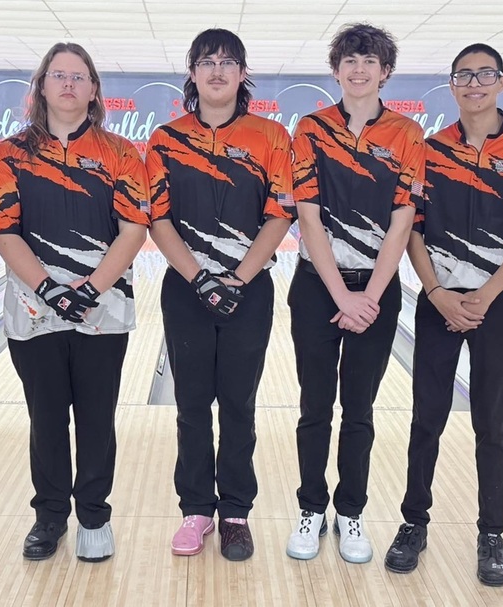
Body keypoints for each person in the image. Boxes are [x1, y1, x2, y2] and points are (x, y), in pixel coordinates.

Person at [384, 43, 503, 586]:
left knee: (490, 424)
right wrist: (435, 292)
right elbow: (415, 227)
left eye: (484, 75)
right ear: (452, 85)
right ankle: (414, 522)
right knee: (426, 420)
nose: (474, 83)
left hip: (499, 304)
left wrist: (489, 293)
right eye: (463, 75)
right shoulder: (430, 149)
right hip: (439, 302)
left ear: (501, 82)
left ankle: (492, 534)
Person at [0, 42, 149, 563]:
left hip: (103, 307)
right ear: (41, 86)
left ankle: (94, 516)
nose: (69, 84)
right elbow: (3, 229)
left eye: (79, 76)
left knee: (97, 418)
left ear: (94, 89)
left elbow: (133, 229)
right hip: (34, 309)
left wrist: (90, 288)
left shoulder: (121, 152)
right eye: (58, 75)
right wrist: (48, 288)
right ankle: (50, 515)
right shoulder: (10, 154)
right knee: (47, 417)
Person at [146, 28, 295, 562]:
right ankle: (195, 509)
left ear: (241, 74)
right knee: (190, 405)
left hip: (248, 291)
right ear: (192, 73)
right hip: (187, 289)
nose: (216, 71)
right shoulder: (165, 139)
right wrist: (200, 279)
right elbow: (156, 218)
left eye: (227, 62)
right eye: (206, 62)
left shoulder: (272, 136)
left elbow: (281, 211)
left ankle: (234, 512)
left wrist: (238, 278)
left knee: (238, 404)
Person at [287, 24, 425, 564]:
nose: (359, 68)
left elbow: (402, 220)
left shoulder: (408, 134)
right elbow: (308, 214)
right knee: (314, 405)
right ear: (336, 69)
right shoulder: (310, 128)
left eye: (370, 60)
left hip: (377, 287)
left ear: (385, 71)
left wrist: (368, 293)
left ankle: (351, 512)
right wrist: (340, 295)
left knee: (360, 409)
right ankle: (311, 508)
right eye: (350, 59)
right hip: (317, 286)